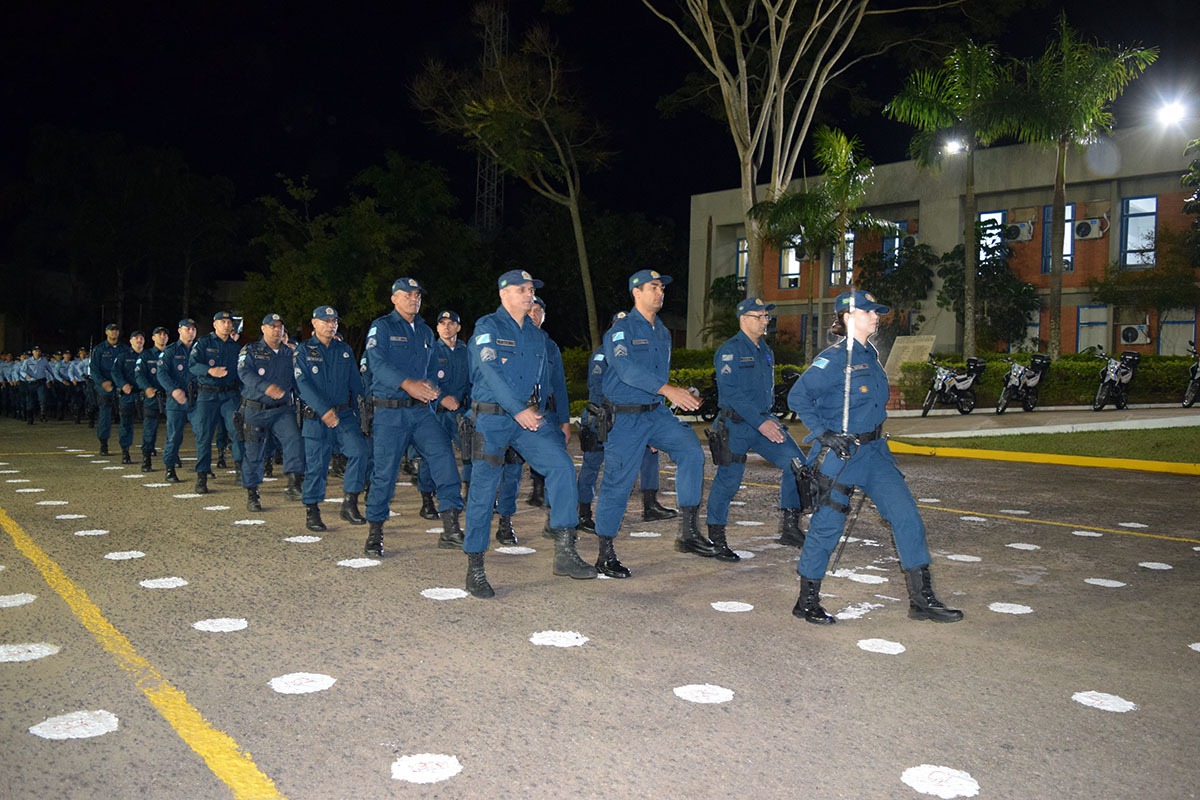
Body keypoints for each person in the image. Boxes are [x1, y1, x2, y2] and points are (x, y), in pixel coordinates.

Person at [787, 289, 963, 625]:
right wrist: (823, 433)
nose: (875, 316)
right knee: (827, 526)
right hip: (841, 454)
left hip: (875, 454)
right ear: (848, 317)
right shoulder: (834, 359)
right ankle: (806, 600)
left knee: (907, 516)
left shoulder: (871, 356)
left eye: (875, 311)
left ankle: (921, 600)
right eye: (867, 311)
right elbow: (798, 397)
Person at [460, 269, 595, 598]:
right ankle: (475, 567)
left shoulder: (537, 336)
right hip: (493, 418)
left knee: (561, 466)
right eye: (521, 289)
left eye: (531, 289)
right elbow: (490, 374)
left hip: (528, 419)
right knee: (483, 490)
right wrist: (517, 410)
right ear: (504, 294)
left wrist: (551, 418)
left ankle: (565, 549)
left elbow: (546, 382)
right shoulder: (487, 327)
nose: (528, 294)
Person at [592, 269, 710, 578]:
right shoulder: (620, 331)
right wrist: (670, 391)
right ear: (636, 292)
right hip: (626, 416)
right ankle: (605, 552)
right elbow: (628, 371)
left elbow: (657, 373)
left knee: (691, 451)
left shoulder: (662, 332)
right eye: (653, 287)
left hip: (655, 413)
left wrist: (665, 404)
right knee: (617, 481)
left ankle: (687, 533)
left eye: (661, 288)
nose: (660, 293)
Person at [362, 278, 465, 556]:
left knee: (444, 459)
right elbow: (377, 364)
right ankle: (375, 532)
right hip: (390, 411)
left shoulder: (424, 332)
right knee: (384, 473)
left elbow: (431, 369)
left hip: (421, 412)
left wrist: (434, 389)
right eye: (407, 294)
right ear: (394, 298)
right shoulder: (381, 327)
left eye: (417, 294)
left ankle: (451, 526)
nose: (414, 298)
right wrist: (408, 384)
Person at [706, 298, 806, 562]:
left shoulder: (765, 350)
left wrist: (766, 420)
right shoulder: (729, 351)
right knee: (728, 482)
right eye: (760, 316)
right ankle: (716, 539)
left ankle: (790, 526)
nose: (765, 321)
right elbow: (732, 393)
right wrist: (760, 422)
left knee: (796, 464)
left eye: (766, 317)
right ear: (744, 319)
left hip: (763, 422)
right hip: (736, 425)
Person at [493, 296, 568, 545]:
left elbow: (559, 386)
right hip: (512, 414)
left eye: (539, 310)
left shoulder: (549, 345)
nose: (534, 314)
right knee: (512, 470)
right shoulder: (509, 336)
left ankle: (555, 519)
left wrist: (565, 422)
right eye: (531, 309)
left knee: (557, 464)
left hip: (544, 415)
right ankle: (505, 521)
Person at [294, 306, 369, 534]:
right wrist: (323, 410)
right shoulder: (303, 351)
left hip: (344, 416)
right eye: (325, 321)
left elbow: (356, 384)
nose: (331, 325)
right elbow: (302, 385)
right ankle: (312, 509)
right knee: (317, 465)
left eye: (334, 320)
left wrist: (364, 411)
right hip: (316, 418)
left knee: (359, 452)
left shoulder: (344, 350)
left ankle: (350, 502)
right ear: (314, 324)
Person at [237, 313, 305, 511]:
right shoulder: (251, 350)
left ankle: (294, 483)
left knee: (294, 440)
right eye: (272, 326)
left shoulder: (291, 353)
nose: (277, 330)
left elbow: (298, 380)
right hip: (255, 409)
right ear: (263, 329)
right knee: (253, 453)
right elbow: (244, 373)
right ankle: (252, 493)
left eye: (280, 327)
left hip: (282, 410)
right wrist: (265, 387)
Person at [415, 310, 471, 520]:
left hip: (461, 413)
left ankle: (472, 494)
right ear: (437, 328)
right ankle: (427, 499)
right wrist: (440, 398)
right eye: (442, 323)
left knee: (471, 452)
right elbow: (424, 380)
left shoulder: (466, 352)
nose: (446, 327)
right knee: (432, 458)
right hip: (435, 413)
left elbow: (473, 382)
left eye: (451, 323)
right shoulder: (430, 351)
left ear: (458, 327)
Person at [188, 311, 245, 493]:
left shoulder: (235, 348)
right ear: (215, 325)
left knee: (237, 432)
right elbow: (192, 365)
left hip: (229, 395)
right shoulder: (204, 343)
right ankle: (202, 476)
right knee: (204, 436)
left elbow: (241, 373)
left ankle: (240, 471)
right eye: (223, 322)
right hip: (208, 396)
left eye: (229, 322)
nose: (227, 325)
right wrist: (209, 371)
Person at [157, 319, 197, 483]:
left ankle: (203, 468)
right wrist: (173, 390)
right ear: (180, 330)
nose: (191, 331)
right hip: (177, 400)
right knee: (174, 436)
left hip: (197, 399)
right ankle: (170, 468)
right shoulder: (171, 351)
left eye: (193, 329)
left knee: (203, 434)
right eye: (188, 328)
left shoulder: (199, 350)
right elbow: (161, 373)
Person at [135, 327, 169, 471]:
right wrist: (147, 388)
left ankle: (172, 456)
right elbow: (139, 375)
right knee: (150, 429)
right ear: (153, 337)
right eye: (159, 334)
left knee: (174, 428)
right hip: (153, 396)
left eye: (165, 334)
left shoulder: (171, 353)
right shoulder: (146, 355)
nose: (162, 336)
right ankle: (146, 458)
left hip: (170, 396)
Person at [111, 330, 144, 464]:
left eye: (141, 338)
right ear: (131, 341)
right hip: (128, 394)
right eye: (136, 338)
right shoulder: (123, 356)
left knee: (149, 422)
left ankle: (149, 448)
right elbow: (115, 372)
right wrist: (123, 384)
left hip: (144, 394)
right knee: (126, 423)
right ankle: (125, 451)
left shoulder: (148, 355)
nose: (139, 340)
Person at [90, 323, 123, 455]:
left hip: (121, 385)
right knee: (105, 414)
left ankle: (126, 446)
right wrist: (102, 382)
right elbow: (94, 369)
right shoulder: (99, 349)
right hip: (105, 385)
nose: (114, 333)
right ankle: (103, 443)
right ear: (106, 332)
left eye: (116, 330)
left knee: (126, 414)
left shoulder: (124, 349)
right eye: (111, 330)